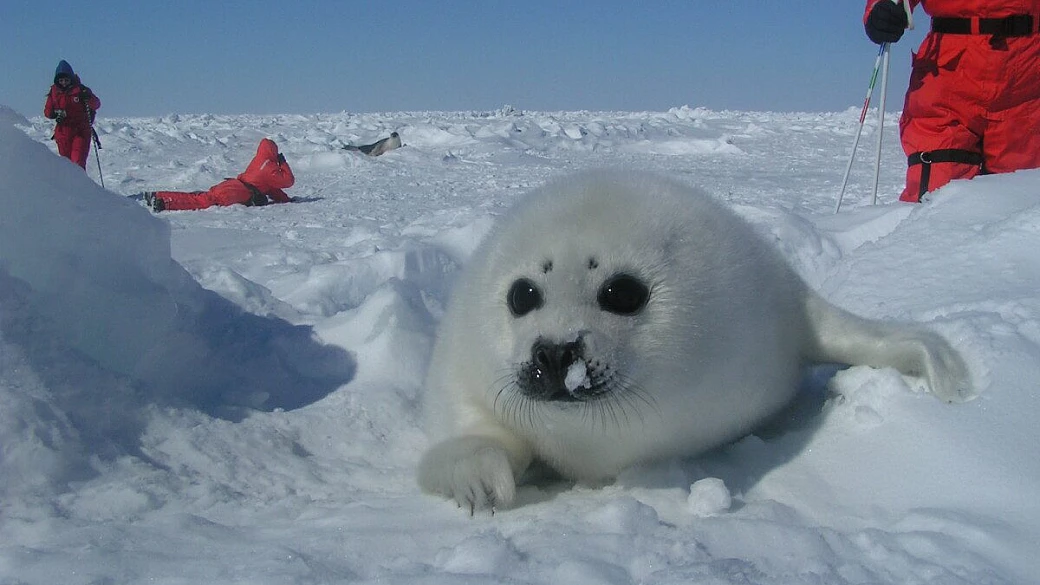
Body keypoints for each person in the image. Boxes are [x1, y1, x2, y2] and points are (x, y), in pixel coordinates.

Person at [864, 0, 1040, 202]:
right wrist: (880, 9)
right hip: (947, 77)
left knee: (1016, 208)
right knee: (936, 201)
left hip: (1027, 88)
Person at [143, 138, 295, 212]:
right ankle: (164, 203)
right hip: (236, 193)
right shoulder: (269, 167)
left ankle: (157, 194)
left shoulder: (258, 160)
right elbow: (288, 181)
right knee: (201, 202)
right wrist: (283, 163)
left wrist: (286, 200)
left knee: (199, 196)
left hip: (233, 185)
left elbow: (270, 188)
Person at [43, 60, 101, 169]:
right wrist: (54, 114)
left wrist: (88, 97)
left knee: (77, 164)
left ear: (71, 79)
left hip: (80, 132)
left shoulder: (81, 90)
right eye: (61, 80)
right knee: (66, 166)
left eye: (66, 80)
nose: (64, 83)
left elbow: (96, 104)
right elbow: (47, 111)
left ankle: (80, 185)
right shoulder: (54, 92)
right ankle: (68, 186)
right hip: (62, 133)